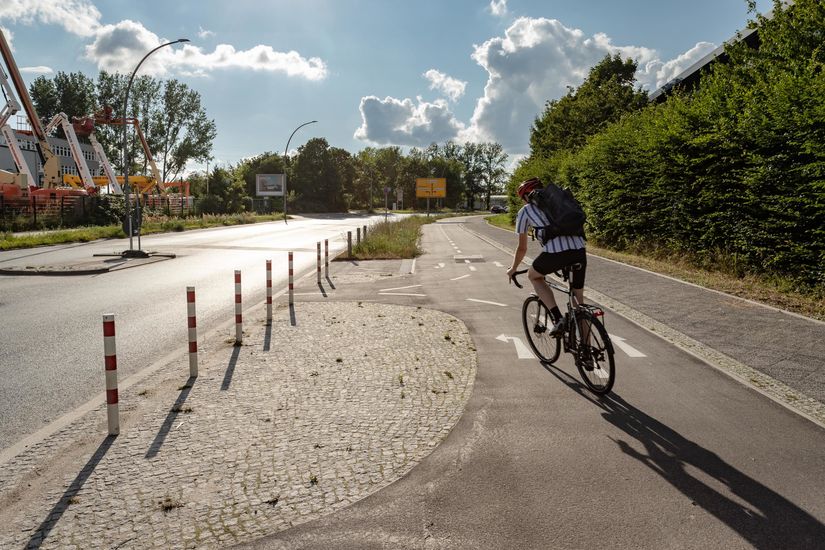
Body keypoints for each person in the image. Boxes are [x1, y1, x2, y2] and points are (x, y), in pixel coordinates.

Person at [506, 177, 587, 336]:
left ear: (525, 197)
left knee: (534, 276)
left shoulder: (526, 211)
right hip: (579, 250)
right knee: (579, 303)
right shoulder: (561, 203)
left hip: (555, 253)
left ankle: (558, 319)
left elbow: (522, 248)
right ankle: (588, 354)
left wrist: (513, 268)